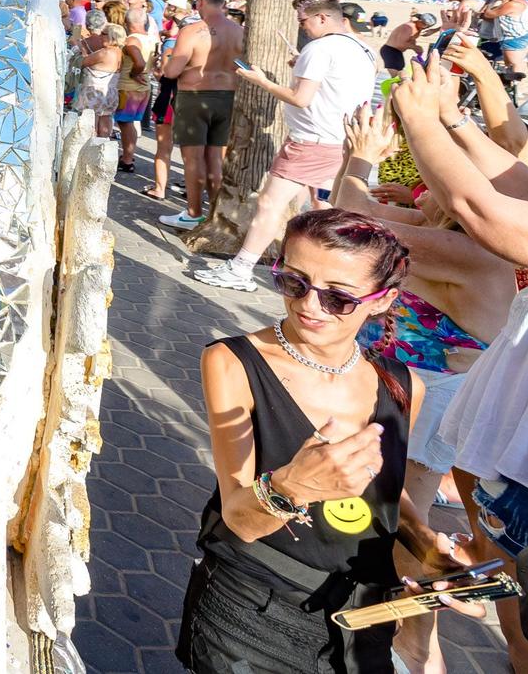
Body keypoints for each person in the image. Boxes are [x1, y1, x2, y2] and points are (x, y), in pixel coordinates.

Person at [182, 208, 473, 674]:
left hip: (361, 615)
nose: (309, 305)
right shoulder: (233, 361)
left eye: (338, 297)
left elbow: (384, 494)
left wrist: (428, 550)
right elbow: (239, 519)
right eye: (294, 282)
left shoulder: (402, 386)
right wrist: (293, 486)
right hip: (255, 603)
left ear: (381, 300)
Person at [390, 59, 528, 672]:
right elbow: (527, 185)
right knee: (520, 619)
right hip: (519, 455)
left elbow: (482, 208)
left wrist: (416, 123)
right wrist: (452, 120)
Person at [336, 103, 519, 674]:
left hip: (430, 403)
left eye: (433, 176)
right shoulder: (444, 235)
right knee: (394, 515)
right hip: (415, 393)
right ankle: (410, 636)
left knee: (402, 523)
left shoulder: (473, 252)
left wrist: (363, 155)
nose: (421, 187)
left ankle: (418, 645)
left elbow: (348, 224)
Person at [195, 0, 379, 292]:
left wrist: (262, 81)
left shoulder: (320, 49)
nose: (302, 27)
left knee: (270, 203)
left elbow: (300, 98)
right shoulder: (363, 49)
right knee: (324, 208)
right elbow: (338, 88)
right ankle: (326, 275)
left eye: (304, 21)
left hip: (311, 141)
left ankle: (241, 269)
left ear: (323, 18)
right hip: (343, 140)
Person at [160, 0, 245, 233]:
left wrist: (167, 63)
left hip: (195, 96)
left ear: (200, 2)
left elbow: (172, 71)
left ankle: (194, 213)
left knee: (193, 159)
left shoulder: (192, 31)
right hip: (228, 97)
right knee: (216, 159)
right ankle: (216, 215)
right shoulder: (239, 31)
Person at [114, 4, 158, 173]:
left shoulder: (132, 40)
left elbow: (139, 62)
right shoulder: (151, 38)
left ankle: (127, 158)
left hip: (129, 86)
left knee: (125, 123)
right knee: (129, 123)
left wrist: (134, 73)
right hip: (144, 85)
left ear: (126, 21)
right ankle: (128, 156)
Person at [71, 10, 122, 137]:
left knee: (90, 122)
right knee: (105, 119)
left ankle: (89, 147)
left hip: (94, 91)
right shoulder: (119, 52)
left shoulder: (105, 52)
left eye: (103, 34)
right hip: (111, 91)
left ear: (111, 37)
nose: (100, 36)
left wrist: (77, 45)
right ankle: (103, 146)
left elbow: (82, 61)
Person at [482, 0, 528, 89]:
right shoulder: (524, 2)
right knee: (510, 63)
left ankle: (514, 88)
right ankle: (511, 86)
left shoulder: (513, 4)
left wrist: (491, 3)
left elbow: (489, 14)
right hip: (521, 34)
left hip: (514, 36)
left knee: (513, 63)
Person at [381, 10, 437, 75]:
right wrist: (416, 47)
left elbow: (409, 40)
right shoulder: (409, 27)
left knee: (400, 75)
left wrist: (416, 48)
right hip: (390, 51)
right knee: (397, 77)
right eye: (425, 25)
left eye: (428, 26)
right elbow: (400, 44)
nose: (426, 27)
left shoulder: (417, 28)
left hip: (396, 52)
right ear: (420, 20)